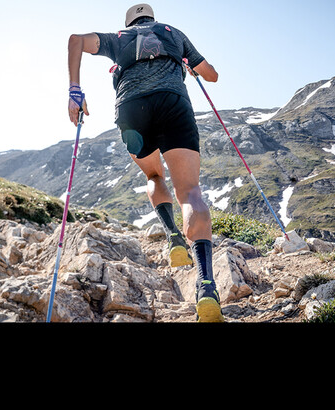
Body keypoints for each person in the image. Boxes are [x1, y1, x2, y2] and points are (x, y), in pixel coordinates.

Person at [67, 4, 223, 322]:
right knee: (190, 192)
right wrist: (189, 67)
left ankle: (173, 236)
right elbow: (213, 75)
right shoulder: (174, 34)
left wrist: (74, 91)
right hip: (173, 102)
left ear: (130, 23)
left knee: (154, 175)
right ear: (152, 19)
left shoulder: (119, 38)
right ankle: (206, 287)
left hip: (131, 108)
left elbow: (75, 40)